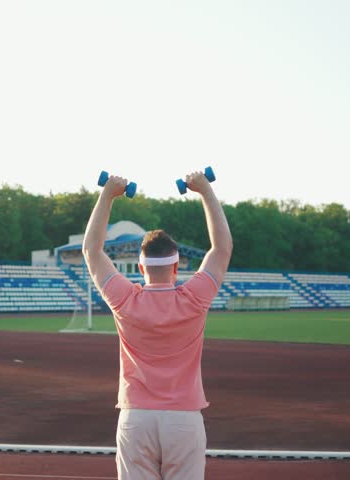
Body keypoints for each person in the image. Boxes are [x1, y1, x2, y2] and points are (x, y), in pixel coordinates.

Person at [82, 170, 232, 480]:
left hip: (136, 418)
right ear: (177, 266)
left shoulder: (125, 300)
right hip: (184, 420)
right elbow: (221, 249)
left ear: (140, 267)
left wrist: (107, 194)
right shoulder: (194, 298)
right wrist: (204, 191)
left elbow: (91, 251)